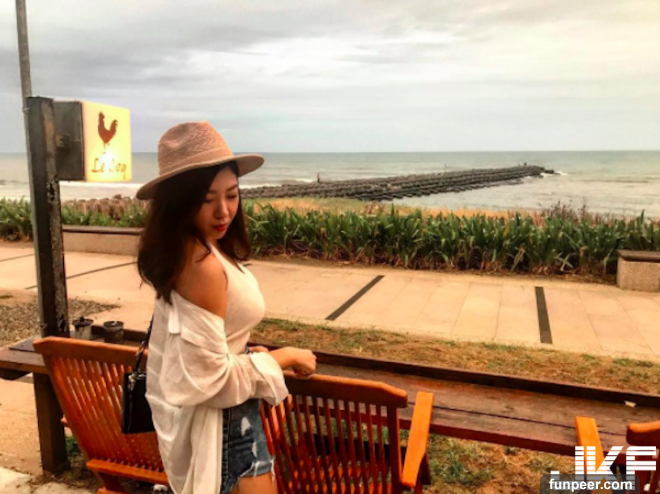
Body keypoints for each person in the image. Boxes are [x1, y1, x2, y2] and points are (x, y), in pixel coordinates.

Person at [136, 122, 317, 494]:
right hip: (226, 424)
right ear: (180, 202)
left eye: (232, 195)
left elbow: (202, 346)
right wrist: (286, 356)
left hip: (222, 418)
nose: (223, 211)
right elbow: (211, 378)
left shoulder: (186, 248)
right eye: (207, 200)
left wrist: (245, 352)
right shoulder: (202, 265)